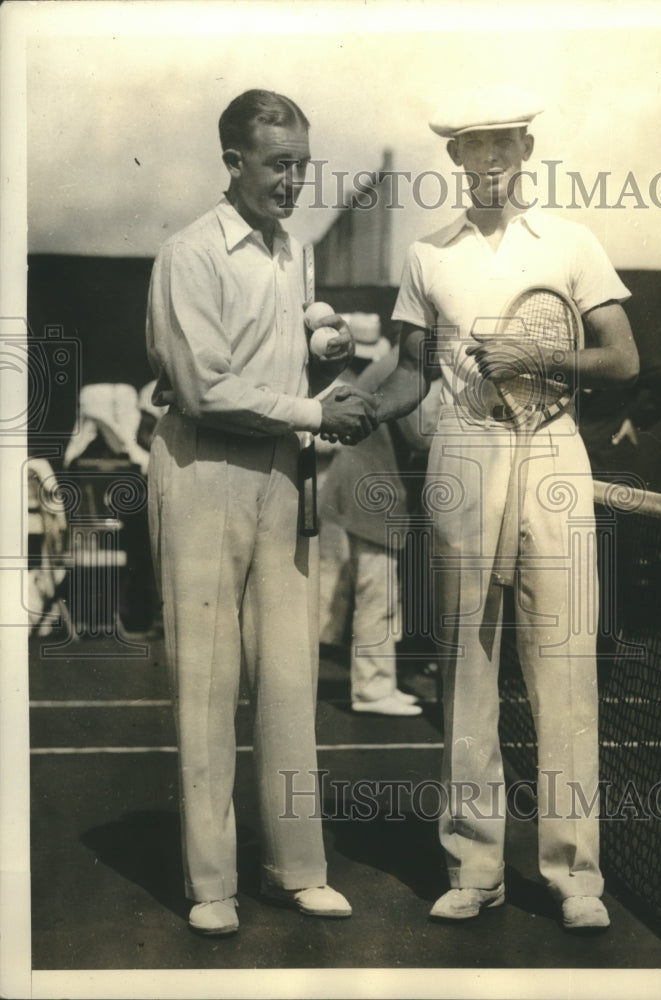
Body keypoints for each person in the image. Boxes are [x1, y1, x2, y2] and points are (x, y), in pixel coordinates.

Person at [366, 85, 640, 929]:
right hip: (461, 452)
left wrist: (534, 355)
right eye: (470, 146)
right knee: (465, 668)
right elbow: (411, 372)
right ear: (453, 157)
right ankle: (474, 867)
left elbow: (622, 360)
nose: (486, 160)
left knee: (560, 668)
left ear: (524, 151)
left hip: (554, 455)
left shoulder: (573, 242)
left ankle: (572, 879)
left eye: (501, 144)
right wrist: (353, 410)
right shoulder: (425, 255)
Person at [146, 89, 376, 936]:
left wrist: (323, 347)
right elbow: (204, 389)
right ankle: (213, 886)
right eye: (279, 165)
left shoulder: (291, 254)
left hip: (282, 479)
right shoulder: (188, 253)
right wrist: (319, 413)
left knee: (286, 683)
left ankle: (296, 870)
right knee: (205, 686)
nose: (293, 182)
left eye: (302, 167)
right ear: (233, 161)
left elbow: (276, 369)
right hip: (201, 473)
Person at [319, 342, 441, 716]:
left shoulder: (397, 364)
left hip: (370, 490)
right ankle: (372, 691)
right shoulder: (400, 370)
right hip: (370, 492)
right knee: (377, 593)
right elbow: (421, 435)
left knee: (381, 593)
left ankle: (380, 681)